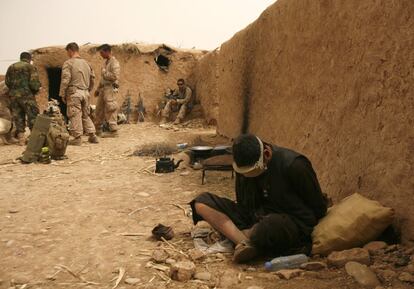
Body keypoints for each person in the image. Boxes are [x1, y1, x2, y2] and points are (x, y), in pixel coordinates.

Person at [190, 134, 328, 263]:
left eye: (252, 172)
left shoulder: (294, 165)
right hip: (252, 216)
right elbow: (243, 205)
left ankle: (242, 237)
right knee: (201, 202)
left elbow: (318, 209)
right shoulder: (243, 168)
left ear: (266, 155)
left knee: (268, 227)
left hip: (286, 223)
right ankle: (244, 242)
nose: (246, 176)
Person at [59, 42, 98, 145]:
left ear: (70, 50)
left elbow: (65, 79)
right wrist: (88, 90)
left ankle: (77, 138)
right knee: (85, 115)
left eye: (67, 52)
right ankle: (92, 135)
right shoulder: (87, 63)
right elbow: (92, 78)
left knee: (75, 114)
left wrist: (62, 93)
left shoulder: (68, 63)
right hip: (85, 92)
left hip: (74, 93)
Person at [5, 52, 41, 145]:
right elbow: (34, 83)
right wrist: (36, 90)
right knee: (33, 115)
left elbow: (7, 82)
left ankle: (21, 138)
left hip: (13, 96)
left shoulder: (11, 67)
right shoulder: (30, 67)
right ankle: (34, 138)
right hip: (27, 96)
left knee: (18, 116)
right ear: (29, 59)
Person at [94, 44, 121, 137]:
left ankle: (114, 131)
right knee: (99, 109)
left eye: (101, 53)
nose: (100, 55)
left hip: (110, 88)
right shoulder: (106, 63)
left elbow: (115, 77)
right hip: (103, 89)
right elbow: (103, 79)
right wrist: (98, 89)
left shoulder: (114, 62)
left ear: (107, 52)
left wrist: (105, 73)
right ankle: (98, 130)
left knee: (111, 108)